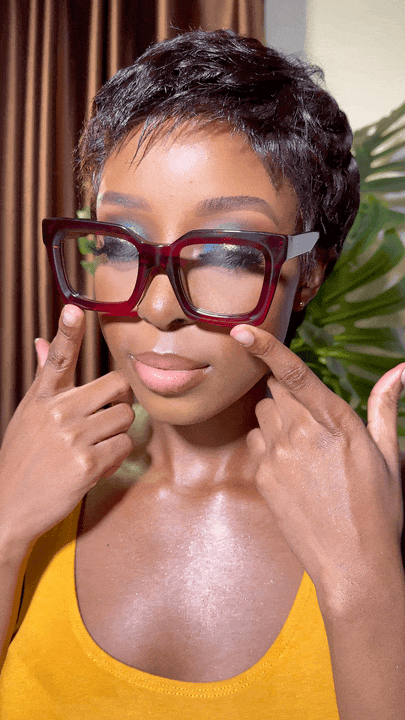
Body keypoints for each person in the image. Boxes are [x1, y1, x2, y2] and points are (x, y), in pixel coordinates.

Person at [0, 29, 404, 720]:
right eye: (120, 243)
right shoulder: (30, 489)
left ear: (308, 274)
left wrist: (363, 586)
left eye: (226, 253)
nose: (158, 308)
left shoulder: (374, 519)